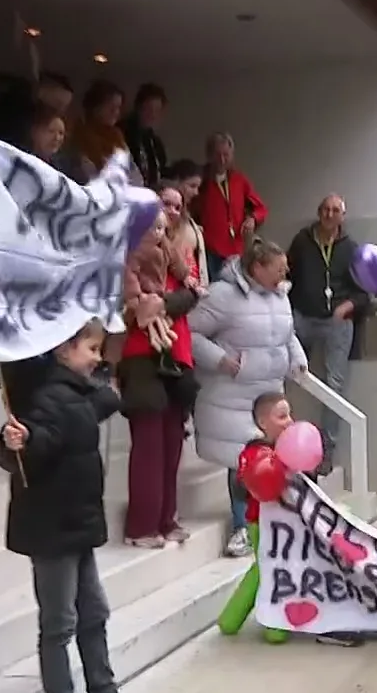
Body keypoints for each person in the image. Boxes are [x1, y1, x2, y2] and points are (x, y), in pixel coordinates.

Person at [0, 319, 162, 693]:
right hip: (52, 528)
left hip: (77, 524)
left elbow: (105, 401)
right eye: (91, 348)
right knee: (60, 622)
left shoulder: (79, 394)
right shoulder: (48, 399)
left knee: (94, 613)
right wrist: (20, 442)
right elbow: (36, 440)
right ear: (62, 351)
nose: (98, 357)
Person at [186, 236, 306, 558]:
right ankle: (241, 526)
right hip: (234, 394)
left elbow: (287, 333)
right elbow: (190, 331)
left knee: (273, 458)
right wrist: (219, 360)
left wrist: (297, 357)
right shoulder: (223, 296)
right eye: (279, 268)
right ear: (258, 267)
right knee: (243, 459)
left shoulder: (281, 296)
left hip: (270, 388)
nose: (285, 273)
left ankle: (272, 522)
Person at [117, 211, 202, 548]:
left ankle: (167, 519)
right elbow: (125, 308)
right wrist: (144, 306)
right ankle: (142, 526)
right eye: (155, 226)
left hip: (177, 357)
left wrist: (160, 303)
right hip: (139, 357)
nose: (160, 232)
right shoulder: (127, 262)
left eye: (164, 228)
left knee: (172, 442)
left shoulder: (178, 261)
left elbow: (191, 295)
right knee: (149, 444)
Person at [285, 194, 366, 466]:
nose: (330, 215)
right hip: (303, 318)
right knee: (282, 370)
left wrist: (349, 306)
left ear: (343, 216)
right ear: (319, 213)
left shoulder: (351, 249)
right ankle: (280, 436)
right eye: (326, 210)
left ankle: (326, 452)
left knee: (335, 384)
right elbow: (286, 274)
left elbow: (365, 292)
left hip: (337, 322)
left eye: (336, 210)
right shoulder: (302, 241)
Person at [215, 392, 292, 645]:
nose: (289, 421)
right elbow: (253, 484)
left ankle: (234, 619)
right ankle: (272, 625)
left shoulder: (287, 449)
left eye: (289, 414)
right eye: (281, 416)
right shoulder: (254, 452)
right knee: (267, 570)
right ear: (262, 423)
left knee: (265, 569)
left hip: (284, 523)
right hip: (261, 523)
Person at [192, 132, 266, 280]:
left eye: (226, 154)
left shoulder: (240, 180)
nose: (222, 160)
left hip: (235, 249)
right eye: (217, 154)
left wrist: (252, 218)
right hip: (210, 250)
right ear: (209, 155)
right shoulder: (200, 180)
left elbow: (261, 209)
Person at [71, 79, 126, 183]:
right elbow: (87, 176)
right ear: (95, 107)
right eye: (110, 106)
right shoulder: (81, 135)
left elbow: (133, 173)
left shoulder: (117, 136)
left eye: (118, 107)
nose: (115, 112)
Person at [165, 159, 208, 278]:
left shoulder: (186, 215)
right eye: (192, 186)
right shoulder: (169, 217)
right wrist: (184, 275)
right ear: (177, 181)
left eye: (198, 187)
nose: (196, 192)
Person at [122, 83, 169, 188]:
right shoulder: (123, 135)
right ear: (138, 108)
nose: (152, 114)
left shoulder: (155, 143)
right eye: (148, 109)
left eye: (157, 110)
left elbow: (160, 170)